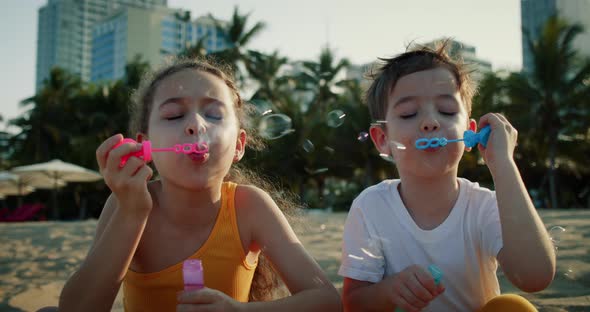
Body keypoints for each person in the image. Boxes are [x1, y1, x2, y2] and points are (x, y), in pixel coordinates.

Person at [58, 57, 341, 311]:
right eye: (173, 115)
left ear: (239, 146)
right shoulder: (126, 203)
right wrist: (132, 213)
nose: (195, 124)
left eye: (214, 115)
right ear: (145, 145)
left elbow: (326, 301)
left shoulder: (250, 207)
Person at [339, 41, 555, 312]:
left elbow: (535, 276)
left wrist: (503, 164)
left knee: (513, 306)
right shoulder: (370, 207)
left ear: (470, 132)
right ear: (383, 139)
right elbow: (353, 303)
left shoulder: (483, 206)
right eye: (408, 113)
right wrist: (389, 290)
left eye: (447, 111)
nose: (430, 121)